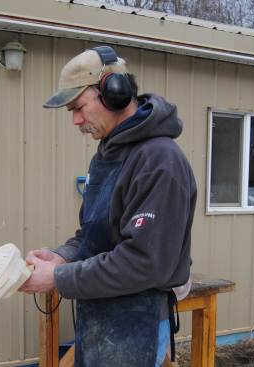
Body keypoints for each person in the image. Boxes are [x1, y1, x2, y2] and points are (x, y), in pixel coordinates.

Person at [19, 45, 197, 367]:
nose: (75, 120)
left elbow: (143, 262)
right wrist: (62, 256)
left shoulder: (160, 161)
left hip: (136, 321)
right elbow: (94, 235)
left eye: (78, 107)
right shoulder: (106, 155)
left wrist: (58, 277)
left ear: (114, 91)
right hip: (99, 314)